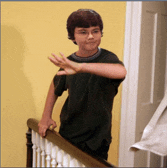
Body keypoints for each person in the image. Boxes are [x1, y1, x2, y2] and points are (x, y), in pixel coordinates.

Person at [38, 9, 126, 160]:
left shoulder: (108, 58)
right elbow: (55, 85)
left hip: (97, 138)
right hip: (69, 133)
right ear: (73, 36)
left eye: (95, 31)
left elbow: (120, 71)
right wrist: (46, 116)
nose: (91, 36)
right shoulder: (69, 62)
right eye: (83, 32)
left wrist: (82, 67)